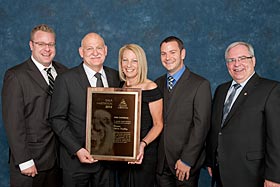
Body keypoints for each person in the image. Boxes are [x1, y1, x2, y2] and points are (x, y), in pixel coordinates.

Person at [49, 32, 120, 187]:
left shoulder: (116, 76)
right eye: (89, 49)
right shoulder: (65, 79)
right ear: (81, 52)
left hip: (107, 164)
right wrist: (77, 149)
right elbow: (56, 119)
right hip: (75, 163)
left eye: (99, 48)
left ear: (106, 50)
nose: (95, 53)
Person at [206, 41, 280, 187]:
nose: (236, 64)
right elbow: (216, 128)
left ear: (253, 60)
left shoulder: (271, 90)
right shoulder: (221, 90)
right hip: (221, 170)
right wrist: (211, 160)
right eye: (231, 60)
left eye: (242, 58)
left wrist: (274, 176)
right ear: (227, 64)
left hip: (252, 173)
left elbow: (277, 137)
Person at [1, 24, 68, 187]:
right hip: (31, 161)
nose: (47, 49)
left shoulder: (64, 72)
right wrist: (24, 160)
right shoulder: (16, 76)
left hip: (59, 160)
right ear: (31, 45)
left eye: (51, 44)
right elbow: (13, 123)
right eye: (41, 44)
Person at [155, 36, 212, 187]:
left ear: (183, 53)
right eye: (163, 53)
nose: (167, 58)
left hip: (184, 163)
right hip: (161, 163)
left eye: (172, 52)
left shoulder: (200, 85)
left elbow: (202, 126)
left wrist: (187, 159)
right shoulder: (157, 83)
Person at [117, 44, 163, 187]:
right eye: (125, 60)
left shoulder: (151, 88)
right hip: (123, 153)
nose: (129, 65)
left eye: (134, 60)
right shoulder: (119, 86)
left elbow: (158, 124)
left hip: (144, 154)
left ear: (141, 63)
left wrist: (142, 144)